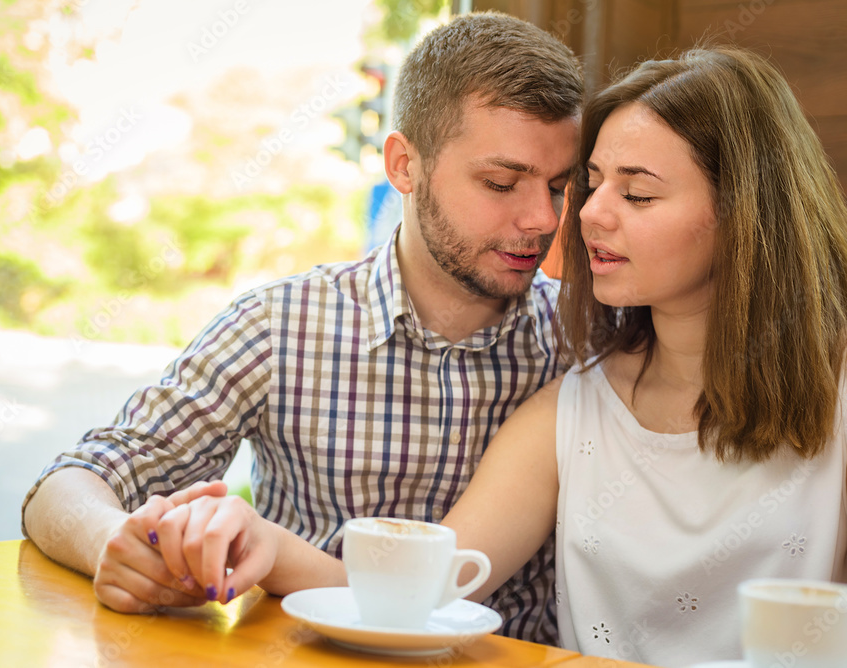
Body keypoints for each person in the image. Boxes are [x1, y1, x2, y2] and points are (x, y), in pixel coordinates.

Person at [150, 45, 847, 667]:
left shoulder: (833, 397)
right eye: (593, 183)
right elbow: (427, 587)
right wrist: (266, 544)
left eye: (635, 193)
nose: (582, 215)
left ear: (745, 214)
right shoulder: (574, 406)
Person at [21, 11, 583, 644]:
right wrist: (109, 543)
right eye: (501, 182)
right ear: (404, 165)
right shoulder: (278, 326)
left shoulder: (585, 340)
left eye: (560, 187)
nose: (542, 219)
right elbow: (70, 481)